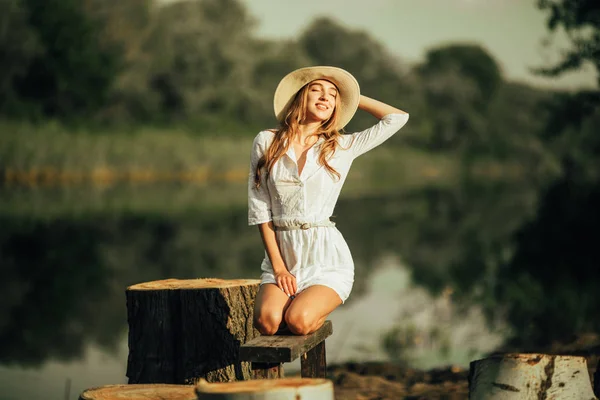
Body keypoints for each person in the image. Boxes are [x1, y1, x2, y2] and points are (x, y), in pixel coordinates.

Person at [248, 66, 409, 336]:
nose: (325, 98)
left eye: (333, 95)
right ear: (300, 96)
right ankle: (296, 307)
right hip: (283, 254)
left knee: (298, 322)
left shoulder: (342, 146)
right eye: (316, 90)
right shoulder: (267, 141)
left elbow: (397, 118)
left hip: (326, 259)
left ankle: (307, 312)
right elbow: (260, 207)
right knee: (266, 322)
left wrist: (352, 98)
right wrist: (279, 268)